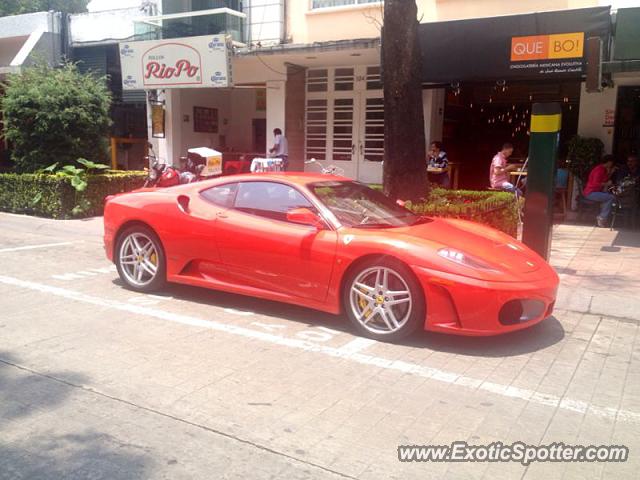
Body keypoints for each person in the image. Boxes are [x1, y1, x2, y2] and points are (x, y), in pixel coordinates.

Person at [583, 154, 617, 228]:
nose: (612, 164)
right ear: (609, 162)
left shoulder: (603, 169)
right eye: (612, 162)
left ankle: (602, 217)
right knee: (611, 197)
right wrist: (607, 184)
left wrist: (610, 173)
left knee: (609, 197)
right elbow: (595, 183)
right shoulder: (599, 169)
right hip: (590, 193)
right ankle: (602, 217)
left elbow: (604, 180)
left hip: (595, 192)